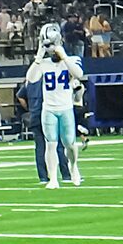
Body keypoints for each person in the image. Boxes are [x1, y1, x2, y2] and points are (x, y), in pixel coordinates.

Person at [24, 24, 84, 188]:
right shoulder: (42, 63)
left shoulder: (70, 60)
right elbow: (31, 79)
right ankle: (53, 179)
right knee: (50, 144)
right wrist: (38, 56)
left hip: (65, 108)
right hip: (49, 109)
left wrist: (64, 56)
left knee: (70, 144)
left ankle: (73, 166)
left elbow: (79, 74)